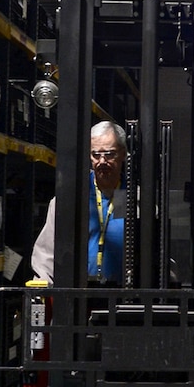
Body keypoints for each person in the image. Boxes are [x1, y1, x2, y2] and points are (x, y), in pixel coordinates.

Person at [29, 120, 127, 283]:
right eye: (96, 155)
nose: (102, 161)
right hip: (78, 295)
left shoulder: (131, 198)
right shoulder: (71, 198)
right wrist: (43, 288)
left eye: (109, 154)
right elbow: (47, 251)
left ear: (123, 154)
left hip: (124, 298)